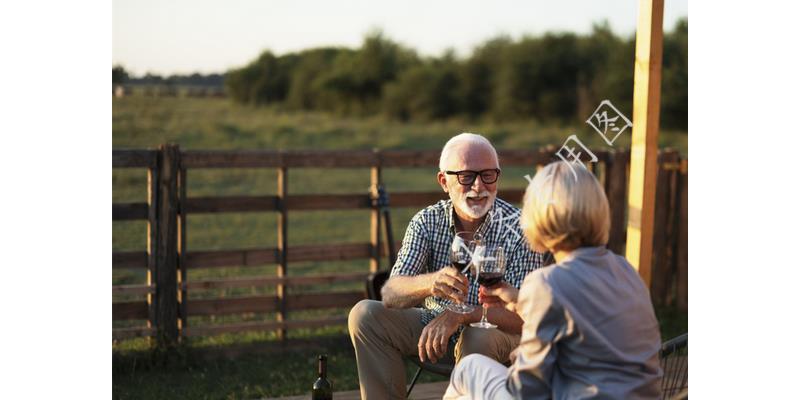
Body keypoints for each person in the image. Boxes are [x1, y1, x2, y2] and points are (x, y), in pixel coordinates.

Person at [347, 133, 546, 399]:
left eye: (489, 175)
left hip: (498, 333)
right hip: (434, 324)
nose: (479, 186)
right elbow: (391, 294)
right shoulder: (426, 221)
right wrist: (429, 283)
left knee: (477, 336)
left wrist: (463, 314)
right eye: (467, 176)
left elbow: (526, 318)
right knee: (365, 315)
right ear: (444, 181)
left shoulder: (520, 228)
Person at [444, 161, 663, 400]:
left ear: (538, 217)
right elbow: (587, 326)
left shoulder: (547, 283)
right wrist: (521, 303)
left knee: (467, 369)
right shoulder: (626, 270)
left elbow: (528, 389)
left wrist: (520, 356)